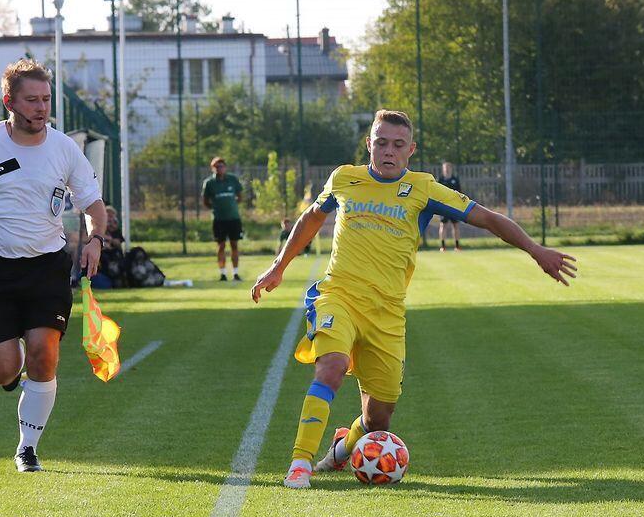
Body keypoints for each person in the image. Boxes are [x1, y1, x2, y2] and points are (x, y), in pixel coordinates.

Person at [251, 109, 577, 489]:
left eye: (398, 144)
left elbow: (488, 218)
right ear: (369, 144)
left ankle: (342, 448)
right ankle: (300, 464)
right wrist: (278, 266)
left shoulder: (424, 189)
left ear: (411, 149)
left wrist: (536, 250)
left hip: (387, 313)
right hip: (338, 296)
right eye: (381, 143)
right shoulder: (344, 178)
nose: (388, 151)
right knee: (331, 367)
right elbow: (311, 217)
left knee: (378, 420)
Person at [0, 58, 106, 473]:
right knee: (3, 372)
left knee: (43, 353)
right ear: (9, 101)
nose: (41, 107)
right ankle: (13, 376)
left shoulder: (64, 148)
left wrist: (96, 239)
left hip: (46, 267)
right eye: (32, 100)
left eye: (46, 99)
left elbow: (92, 204)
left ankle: (27, 448)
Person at [200, 157, 243, 281]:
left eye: (221, 166)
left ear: (225, 167)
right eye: (217, 167)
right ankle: (223, 274)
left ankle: (235, 273)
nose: (219, 169)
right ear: (212, 168)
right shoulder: (209, 183)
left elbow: (240, 197)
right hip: (219, 220)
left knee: (234, 245)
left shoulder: (232, 179)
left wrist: (231, 206)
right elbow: (205, 201)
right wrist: (216, 209)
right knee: (221, 246)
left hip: (234, 218)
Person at [436, 161, 463, 251]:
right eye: (445, 168)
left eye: (448, 168)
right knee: (443, 225)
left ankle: (457, 246)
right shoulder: (440, 180)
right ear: (443, 169)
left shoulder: (455, 179)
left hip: (454, 206)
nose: (446, 170)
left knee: (455, 225)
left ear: (451, 169)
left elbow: (459, 193)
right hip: (443, 207)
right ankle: (443, 246)